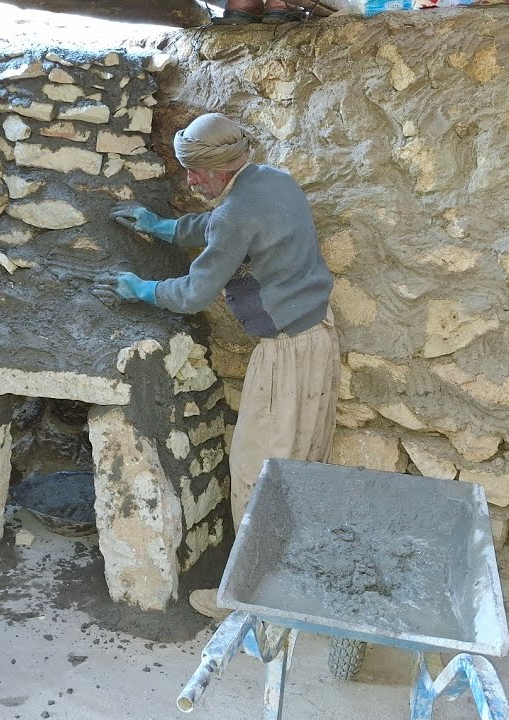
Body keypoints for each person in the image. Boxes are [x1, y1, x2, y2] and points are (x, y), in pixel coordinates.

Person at [94, 113, 340, 620]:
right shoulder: (273, 181)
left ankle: (246, 601)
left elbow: (194, 292)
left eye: (196, 174)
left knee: (258, 471)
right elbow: (222, 223)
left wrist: (141, 289)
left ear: (222, 168)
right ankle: (285, 578)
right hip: (318, 337)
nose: (190, 182)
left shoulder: (236, 214)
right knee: (297, 466)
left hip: (287, 357)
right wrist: (163, 228)